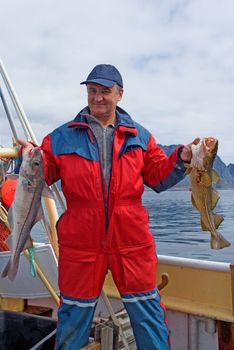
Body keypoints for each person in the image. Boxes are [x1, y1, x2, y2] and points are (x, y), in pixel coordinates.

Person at [19, 64, 194, 350]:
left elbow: (157, 177)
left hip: (131, 240)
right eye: (92, 91)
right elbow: (42, 173)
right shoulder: (61, 137)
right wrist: (28, 157)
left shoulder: (140, 136)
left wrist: (182, 159)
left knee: (148, 315)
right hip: (81, 241)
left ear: (120, 94)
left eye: (104, 91)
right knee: (73, 315)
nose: (97, 97)